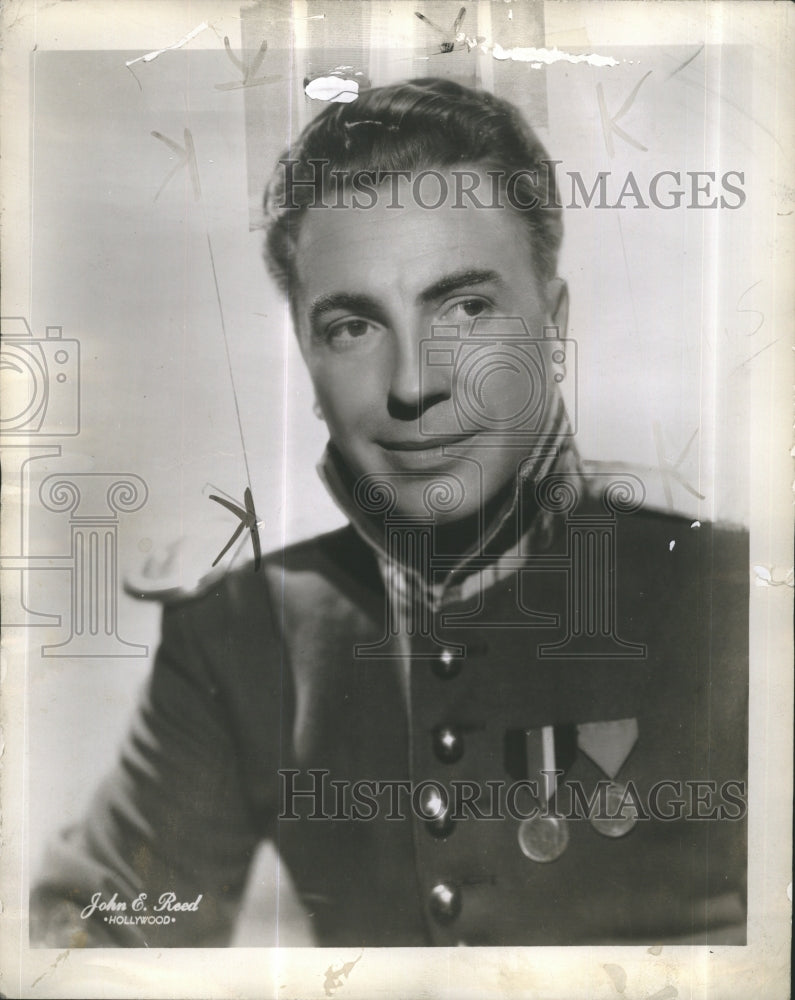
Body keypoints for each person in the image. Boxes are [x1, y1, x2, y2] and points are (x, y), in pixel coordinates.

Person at [31, 78, 748, 948]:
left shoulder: (732, 604)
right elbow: (93, 930)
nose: (413, 384)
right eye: (352, 327)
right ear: (306, 354)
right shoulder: (240, 634)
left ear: (554, 331)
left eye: (467, 306)